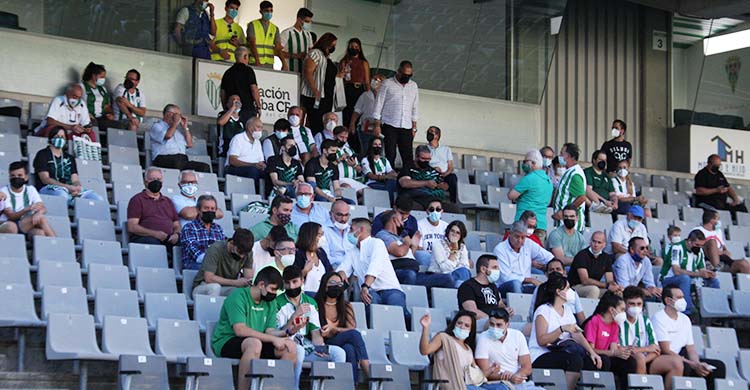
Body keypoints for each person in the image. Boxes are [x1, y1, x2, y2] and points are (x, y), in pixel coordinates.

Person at [211, 267, 297, 390]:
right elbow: (240, 330)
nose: (274, 293)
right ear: (261, 285)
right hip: (227, 340)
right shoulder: (238, 296)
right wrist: (272, 339)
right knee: (254, 344)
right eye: (272, 289)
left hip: (257, 341)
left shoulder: (270, 302)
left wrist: (286, 332)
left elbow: (269, 330)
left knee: (290, 347)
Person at [529, 273, 602, 390]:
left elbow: (577, 333)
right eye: (567, 288)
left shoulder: (567, 310)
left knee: (591, 361)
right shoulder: (543, 310)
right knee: (574, 360)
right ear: (558, 292)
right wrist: (561, 329)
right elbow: (541, 340)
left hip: (561, 351)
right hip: (541, 354)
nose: (571, 292)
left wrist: (592, 352)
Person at [275, 266, 346, 385]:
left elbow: (316, 333)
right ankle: (294, 387)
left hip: (307, 347)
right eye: (287, 283)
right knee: (298, 350)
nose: (291, 286)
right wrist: (295, 315)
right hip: (287, 347)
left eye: (295, 282)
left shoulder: (310, 303)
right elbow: (279, 333)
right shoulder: (277, 303)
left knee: (338, 353)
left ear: (302, 281)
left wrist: (320, 347)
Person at [652, 284, 726, 389]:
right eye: (679, 297)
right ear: (668, 301)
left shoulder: (685, 319)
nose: (683, 300)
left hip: (683, 357)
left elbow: (691, 349)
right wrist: (691, 364)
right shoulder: (659, 318)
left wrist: (697, 363)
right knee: (684, 365)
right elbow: (666, 350)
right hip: (665, 358)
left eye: (683, 297)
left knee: (717, 367)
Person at [336, 218, 408, 319]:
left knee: (397, 315)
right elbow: (343, 268)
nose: (349, 232)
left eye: (351, 229)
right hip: (370, 292)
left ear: (360, 230)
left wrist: (365, 286)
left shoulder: (377, 243)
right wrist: (341, 275)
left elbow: (375, 266)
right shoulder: (352, 251)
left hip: (390, 290)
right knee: (373, 315)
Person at [419, 311, 510, 390]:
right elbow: (425, 350)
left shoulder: (468, 348)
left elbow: (477, 376)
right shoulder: (443, 338)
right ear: (454, 324)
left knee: (503, 387)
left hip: (470, 385)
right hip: (455, 386)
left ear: (470, 330)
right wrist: (425, 328)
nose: (462, 327)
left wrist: (491, 369)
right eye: (459, 323)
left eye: (466, 325)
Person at [620, 287, 684, 390]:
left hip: (647, 359)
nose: (636, 307)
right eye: (632, 304)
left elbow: (656, 349)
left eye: (639, 304)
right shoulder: (620, 321)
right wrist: (645, 349)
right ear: (624, 304)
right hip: (627, 360)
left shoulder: (645, 321)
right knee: (639, 357)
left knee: (676, 362)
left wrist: (643, 360)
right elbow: (623, 350)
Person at [315, 271, 370, 382]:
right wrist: (334, 331)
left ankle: (351, 385)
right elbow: (323, 333)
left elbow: (351, 328)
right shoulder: (316, 303)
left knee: (349, 348)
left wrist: (335, 329)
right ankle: (368, 371)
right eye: (332, 283)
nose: (336, 286)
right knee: (354, 336)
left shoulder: (345, 305)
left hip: (339, 341)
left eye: (340, 284)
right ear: (324, 285)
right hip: (323, 342)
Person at [376, 210, 453, 289]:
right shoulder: (383, 235)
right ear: (395, 220)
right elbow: (400, 252)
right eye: (401, 217)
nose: (404, 220)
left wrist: (414, 246)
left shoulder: (400, 237)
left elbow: (408, 256)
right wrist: (407, 241)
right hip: (397, 273)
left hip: (414, 273)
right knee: (410, 275)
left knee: (447, 278)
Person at [33, 128, 104, 202]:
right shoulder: (42, 154)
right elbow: (45, 179)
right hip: (48, 188)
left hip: (70, 189)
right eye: (57, 136)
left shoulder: (69, 158)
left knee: (96, 198)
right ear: (51, 138)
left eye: (62, 137)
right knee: (62, 194)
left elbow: (75, 179)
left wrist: (77, 187)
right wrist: (67, 187)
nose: (60, 139)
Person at [660, 230, 718, 315]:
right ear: (689, 241)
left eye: (702, 246)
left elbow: (702, 269)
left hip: (689, 279)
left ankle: (714, 310)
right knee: (685, 279)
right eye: (697, 245)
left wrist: (708, 274)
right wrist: (698, 274)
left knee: (714, 281)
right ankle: (686, 312)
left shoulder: (699, 251)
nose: (699, 247)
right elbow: (676, 271)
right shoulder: (677, 248)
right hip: (668, 280)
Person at [373, 60, 419, 167]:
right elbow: (378, 104)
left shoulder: (413, 85)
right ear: (398, 71)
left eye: (409, 75)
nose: (407, 77)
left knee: (407, 156)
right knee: (390, 154)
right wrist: (377, 125)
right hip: (390, 124)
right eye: (404, 74)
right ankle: (389, 178)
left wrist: (414, 127)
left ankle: (406, 178)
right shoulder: (387, 83)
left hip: (406, 125)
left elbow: (415, 106)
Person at [582, 292, 634, 384]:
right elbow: (590, 350)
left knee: (629, 361)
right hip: (591, 357)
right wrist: (613, 353)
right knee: (605, 360)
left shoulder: (615, 325)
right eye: (622, 310)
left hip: (606, 356)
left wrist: (622, 352)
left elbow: (613, 349)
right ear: (612, 310)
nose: (624, 313)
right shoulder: (594, 321)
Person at [475, 308, 533, 387]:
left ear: (507, 325)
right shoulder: (483, 338)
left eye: (499, 325)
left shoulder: (518, 335)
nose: (495, 328)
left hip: (519, 383)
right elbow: (485, 372)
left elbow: (527, 367)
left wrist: (517, 376)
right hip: (496, 384)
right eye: (492, 324)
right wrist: (509, 378)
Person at [494, 221, 554, 295]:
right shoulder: (500, 249)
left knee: (543, 289)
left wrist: (549, 267)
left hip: (526, 286)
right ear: (510, 234)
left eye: (523, 237)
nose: (520, 240)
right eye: (517, 236)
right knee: (516, 284)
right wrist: (530, 280)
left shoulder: (528, 243)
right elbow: (506, 277)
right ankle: (519, 306)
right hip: (505, 286)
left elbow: (549, 257)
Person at [458, 254, 515, 331]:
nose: (498, 270)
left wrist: (506, 310)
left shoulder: (493, 286)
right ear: (483, 269)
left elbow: (500, 304)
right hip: (477, 323)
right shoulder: (467, 286)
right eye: (495, 267)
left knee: (527, 327)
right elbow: (473, 312)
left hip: (496, 323)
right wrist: (493, 319)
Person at [127, 167, 180, 247]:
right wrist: (155, 234)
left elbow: (176, 225)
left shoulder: (168, 201)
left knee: (186, 245)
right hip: (146, 238)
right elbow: (132, 227)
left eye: (158, 179)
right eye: (152, 179)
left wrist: (176, 234)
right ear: (145, 182)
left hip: (168, 239)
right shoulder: (137, 200)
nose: (156, 181)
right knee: (155, 245)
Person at [192, 229, 254, 297]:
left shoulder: (247, 252)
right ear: (232, 243)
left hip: (226, 287)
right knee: (215, 288)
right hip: (204, 286)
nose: (242, 256)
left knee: (241, 292)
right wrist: (236, 282)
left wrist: (248, 282)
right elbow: (209, 278)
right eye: (240, 252)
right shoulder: (216, 249)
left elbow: (248, 276)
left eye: (245, 254)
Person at [526, 262, 587, 330]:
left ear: (564, 272)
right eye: (551, 270)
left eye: (558, 269)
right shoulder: (540, 289)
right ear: (546, 274)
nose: (555, 271)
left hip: (571, 329)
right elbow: (533, 313)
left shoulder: (572, 292)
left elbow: (580, 316)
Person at [0, 161, 55, 237]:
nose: (16, 178)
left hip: (25, 225)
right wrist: (26, 209)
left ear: (26, 177)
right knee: (11, 227)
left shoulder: (31, 189)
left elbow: (43, 208)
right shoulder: (4, 191)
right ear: (9, 177)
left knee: (40, 233)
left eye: (19, 175)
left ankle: (54, 244)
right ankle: (58, 243)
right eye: (13, 176)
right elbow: (11, 216)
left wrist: (39, 213)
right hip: (7, 224)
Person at [150, 104, 210, 172]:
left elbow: (190, 144)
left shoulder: (178, 131)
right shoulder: (157, 126)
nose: (179, 118)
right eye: (177, 115)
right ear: (168, 114)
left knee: (204, 167)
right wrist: (175, 123)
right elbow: (168, 136)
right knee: (177, 161)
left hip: (181, 160)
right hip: (162, 158)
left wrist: (185, 127)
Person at [398, 145, 459, 213]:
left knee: (454, 209)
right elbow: (404, 183)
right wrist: (426, 183)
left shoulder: (432, 170)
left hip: (436, 201)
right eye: (423, 158)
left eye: (428, 159)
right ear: (416, 157)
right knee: (413, 208)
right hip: (416, 200)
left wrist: (442, 186)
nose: (426, 161)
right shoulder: (408, 168)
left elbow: (443, 185)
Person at [509, 149, 554, 234]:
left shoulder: (529, 178)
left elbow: (511, 196)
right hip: (541, 224)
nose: (524, 164)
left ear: (533, 163)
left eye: (525, 161)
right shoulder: (549, 181)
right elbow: (548, 202)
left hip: (524, 223)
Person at [692, 209, 750, 274]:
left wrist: (726, 252)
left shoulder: (718, 231)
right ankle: (717, 270)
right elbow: (696, 248)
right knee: (712, 242)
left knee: (744, 264)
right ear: (712, 220)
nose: (719, 221)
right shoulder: (697, 230)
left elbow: (724, 248)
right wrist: (717, 252)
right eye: (718, 219)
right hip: (707, 260)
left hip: (724, 260)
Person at [301, 33, 338, 134]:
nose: (333, 48)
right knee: (316, 122)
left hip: (326, 96)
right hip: (315, 95)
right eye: (332, 45)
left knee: (323, 123)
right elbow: (308, 72)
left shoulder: (326, 58)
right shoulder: (315, 54)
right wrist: (315, 89)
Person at [339, 38, 371, 153]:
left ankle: (358, 147)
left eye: (356, 46)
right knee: (348, 117)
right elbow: (340, 79)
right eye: (352, 46)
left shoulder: (364, 62)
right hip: (348, 89)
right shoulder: (344, 61)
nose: (354, 48)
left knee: (359, 117)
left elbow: (367, 81)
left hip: (360, 90)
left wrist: (369, 96)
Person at [181, 195, 227, 270]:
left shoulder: (218, 229)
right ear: (198, 210)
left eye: (212, 209)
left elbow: (224, 248)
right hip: (195, 265)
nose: (210, 211)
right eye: (206, 208)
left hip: (215, 265)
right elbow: (193, 251)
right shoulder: (189, 227)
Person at [568, 231, 620, 299]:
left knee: (617, 293)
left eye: (599, 242)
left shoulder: (606, 258)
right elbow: (585, 280)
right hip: (576, 287)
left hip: (595, 287)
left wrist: (614, 286)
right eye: (594, 241)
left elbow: (609, 279)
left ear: (604, 244)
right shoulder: (582, 255)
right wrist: (606, 286)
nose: (596, 245)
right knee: (594, 290)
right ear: (590, 241)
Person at [220, 47, 260, 125]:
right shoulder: (248, 71)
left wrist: (226, 109)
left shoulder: (227, 72)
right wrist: (258, 106)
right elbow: (254, 89)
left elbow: (222, 94)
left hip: (231, 110)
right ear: (245, 57)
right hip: (247, 109)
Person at [552, 143, 587, 231]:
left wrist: (564, 212)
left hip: (571, 226)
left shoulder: (575, 174)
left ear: (567, 155)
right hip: (564, 224)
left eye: (561, 153)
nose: (559, 156)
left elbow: (582, 197)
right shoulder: (570, 171)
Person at [226, 117, 266, 191]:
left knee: (269, 172)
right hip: (234, 168)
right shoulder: (238, 138)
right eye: (258, 127)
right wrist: (253, 165)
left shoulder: (257, 142)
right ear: (249, 127)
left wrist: (262, 165)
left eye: (261, 128)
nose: (260, 130)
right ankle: (252, 194)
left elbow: (260, 161)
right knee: (253, 170)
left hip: (253, 168)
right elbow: (232, 161)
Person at [293, 222, 333, 295]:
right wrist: (304, 271)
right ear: (310, 236)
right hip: (304, 296)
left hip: (322, 295)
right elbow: (292, 279)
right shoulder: (297, 254)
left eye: (322, 234)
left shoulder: (321, 252)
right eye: (319, 235)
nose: (322, 237)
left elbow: (330, 272)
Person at [429, 220, 472, 288]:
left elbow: (465, 266)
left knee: (465, 271)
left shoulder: (462, 247)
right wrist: (454, 251)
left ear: (461, 236)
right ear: (448, 231)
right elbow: (445, 269)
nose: (454, 234)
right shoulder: (438, 244)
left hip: (456, 277)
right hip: (439, 276)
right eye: (452, 231)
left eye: (458, 233)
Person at [422, 126, 459, 203]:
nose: (428, 134)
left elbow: (450, 166)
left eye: (431, 132)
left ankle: (453, 202)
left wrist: (445, 174)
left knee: (452, 178)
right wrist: (433, 169)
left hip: (445, 175)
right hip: (431, 173)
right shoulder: (424, 148)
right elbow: (422, 162)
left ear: (437, 135)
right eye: (428, 132)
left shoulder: (446, 149)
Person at [79, 62, 118, 134]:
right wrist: (86, 113)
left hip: (102, 118)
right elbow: (78, 105)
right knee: (93, 125)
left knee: (117, 126)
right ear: (94, 76)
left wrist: (110, 113)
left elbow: (106, 106)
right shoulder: (82, 87)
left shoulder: (103, 89)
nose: (103, 79)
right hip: (88, 117)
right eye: (102, 77)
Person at [304, 139, 347, 203]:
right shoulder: (312, 164)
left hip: (329, 194)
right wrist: (327, 197)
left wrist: (338, 197)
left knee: (351, 203)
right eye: (332, 151)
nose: (334, 153)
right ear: (324, 150)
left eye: (335, 151)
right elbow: (313, 186)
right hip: (315, 194)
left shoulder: (333, 166)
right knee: (324, 201)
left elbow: (337, 187)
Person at [350, 74, 385, 150]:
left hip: (381, 128)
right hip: (366, 127)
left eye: (378, 80)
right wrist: (352, 123)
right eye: (374, 79)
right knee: (366, 150)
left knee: (379, 151)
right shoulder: (365, 95)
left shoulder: (386, 96)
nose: (375, 81)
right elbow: (357, 110)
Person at [246, 1, 285, 69]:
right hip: (255, 62)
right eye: (266, 11)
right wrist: (257, 60)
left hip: (269, 63)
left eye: (271, 11)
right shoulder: (252, 25)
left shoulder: (274, 28)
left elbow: (278, 47)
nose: (269, 13)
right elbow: (252, 43)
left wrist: (284, 63)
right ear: (261, 11)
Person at [361, 136, 398, 203]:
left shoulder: (384, 160)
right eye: (375, 144)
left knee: (394, 184)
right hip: (371, 184)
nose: (378, 146)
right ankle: (390, 204)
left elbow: (391, 172)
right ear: (371, 145)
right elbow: (370, 176)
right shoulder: (365, 160)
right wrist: (386, 176)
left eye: (379, 144)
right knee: (389, 187)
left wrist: (394, 175)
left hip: (384, 183)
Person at [332, 126, 367, 194]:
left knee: (369, 192)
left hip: (352, 180)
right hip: (338, 180)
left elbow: (359, 169)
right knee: (347, 188)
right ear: (334, 136)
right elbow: (326, 166)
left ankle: (358, 201)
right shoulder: (330, 148)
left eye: (346, 138)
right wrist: (340, 159)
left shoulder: (350, 150)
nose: (344, 140)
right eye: (341, 137)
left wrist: (354, 165)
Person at [322, 200, 355, 269]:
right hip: (334, 268)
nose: (343, 219)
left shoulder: (351, 230)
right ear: (331, 214)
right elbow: (326, 258)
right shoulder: (323, 230)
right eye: (339, 215)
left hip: (353, 267)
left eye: (346, 215)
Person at [279, 8, 314, 74]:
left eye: (310, 22)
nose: (308, 24)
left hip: (303, 73)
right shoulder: (287, 33)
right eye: (306, 21)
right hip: (289, 71)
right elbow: (277, 51)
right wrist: (296, 56)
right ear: (299, 19)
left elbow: (311, 51)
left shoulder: (308, 34)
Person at [583, 150, 617, 214]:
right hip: (595, 204)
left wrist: (615, 203)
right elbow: (588, 191)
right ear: (594, 160)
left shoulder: (606, 176)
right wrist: (604, 201)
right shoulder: (588, 172)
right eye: (600, 159)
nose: (603, 162)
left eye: (605, 160)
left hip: (607, 206)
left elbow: (612, 194)